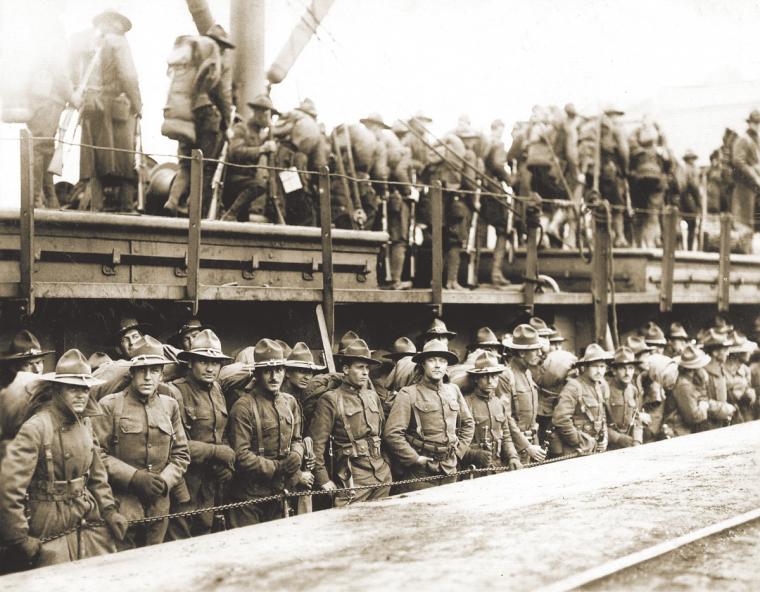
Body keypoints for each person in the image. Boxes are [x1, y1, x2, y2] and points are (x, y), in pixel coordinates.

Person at [0, 350, 128, 571]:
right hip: (49, 521)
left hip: (87, 517)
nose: (81, 395)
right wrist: (19, 537)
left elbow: (97, 474)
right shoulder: (37, 427)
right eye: (73, 388)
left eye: (85, 388)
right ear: (58, 390)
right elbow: (9, 487)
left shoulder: (85, 423)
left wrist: (109, 510)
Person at [93, 337, 190, 549]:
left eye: (154, 370)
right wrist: (133, 477)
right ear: (132, 373)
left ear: (162, 375)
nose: (148, 377)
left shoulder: (170, 406)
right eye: (142, 370)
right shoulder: (110, 406)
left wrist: (165, 481)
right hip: (122, 505)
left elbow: (182, 454)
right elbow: (96, 455)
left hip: (159, 505)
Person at [227, 339, 305, 527]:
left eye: (278, 370)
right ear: (257, 374)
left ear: (284, 372)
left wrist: (297, 453)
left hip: (280, 492)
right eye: (267, 371)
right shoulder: (243, 407)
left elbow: (297, 438)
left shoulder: (290, 403)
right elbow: (241, 455)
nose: (274, 377)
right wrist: (278, 468)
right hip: (249, 496)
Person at [71, 9, 141, 211]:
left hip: (91, 105)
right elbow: (128, 77)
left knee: (95, 159)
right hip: (114, 108)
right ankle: (126, 207)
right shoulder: (118, 42)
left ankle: (96, 206)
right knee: (123, 158)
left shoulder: (90, 45)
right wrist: (138, 105)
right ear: (118, 25)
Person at [166, 330, 233, 540]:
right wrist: (217, 452)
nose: (210, 368)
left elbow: (223, 432)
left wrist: (227, 463)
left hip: (210, 483)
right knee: (180, 539)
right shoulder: (175, 392)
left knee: (207, 536)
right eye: (203, 361)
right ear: (190, 363)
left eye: (215, 362)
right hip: (184, 483)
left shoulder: (217, 391)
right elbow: (175, 446)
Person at [383, 339, 474, 493]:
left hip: (450, 467)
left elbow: (468, 424)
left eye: (442, 361)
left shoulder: (453, 390)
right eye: (432, 360)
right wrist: (414, 458)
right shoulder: (408, 393)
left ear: (447, 366)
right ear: (423, 365)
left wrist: (458, 453)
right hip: (421, 471)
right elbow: (392, 434)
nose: (437, 365)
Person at [309, 339, 391, 506]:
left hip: (382, 475)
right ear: (345, 369)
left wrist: (387, 466)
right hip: (351, 479)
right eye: (360, 367)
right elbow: (317, 444)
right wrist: (323, 479)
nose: (365, 372)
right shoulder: (331, 400)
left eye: (367, 368)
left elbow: (383, 434)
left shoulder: (372, 396)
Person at [164, 25, 234, 217]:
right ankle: (193, 208)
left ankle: (172, 199)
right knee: (205, 165)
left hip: (186, 115)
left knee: (186, 164)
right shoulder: (215, 58)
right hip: (208, 116)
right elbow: (222, 93)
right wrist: (228, 123)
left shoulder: (192, 58)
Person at [222, 94, 279, 222]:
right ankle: (230, 214)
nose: (268, 119)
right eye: (266, 115)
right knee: (260, 186)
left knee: (243, 222)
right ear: (258, 114)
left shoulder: (260, 134)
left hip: (246, 184)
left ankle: (232, 215)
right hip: (234, 179)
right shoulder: (242, 128)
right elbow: (235, 152)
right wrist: (262, 149)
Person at [462, 351, 522, 471]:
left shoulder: (499, 403)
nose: (490, 381)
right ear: (475, 379)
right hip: (473, 469)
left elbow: (506, 436)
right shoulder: (465, 403)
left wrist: (513, 457)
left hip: (498, 466)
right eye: (484, 376)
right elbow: (455, 442)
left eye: (494, 376)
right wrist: (473, 455)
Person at [551, 343, 612, 456]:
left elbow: (602, 416)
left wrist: (605, 438)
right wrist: (582, 441)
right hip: (575, 450)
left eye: (602, 366)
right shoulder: (573, 387)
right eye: (595, 366)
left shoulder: (600, 386)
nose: (599, 371)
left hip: (595, 448)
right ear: (584, 367)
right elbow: (561, 419)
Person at [502, 325, 547, 465]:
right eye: (535, 350)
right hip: (514, 450)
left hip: (531, 446)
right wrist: (526, 447)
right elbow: (506, 418)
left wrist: (535, 446)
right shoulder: (506, 376)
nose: (540, 353)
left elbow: (531, 419)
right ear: (522, 353)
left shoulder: (527, 373)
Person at [482, 119, 514, 287]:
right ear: (499, 129)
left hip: (480, 188)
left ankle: (474, 274)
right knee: (502, 230)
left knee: (481, 229)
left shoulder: (483, 142)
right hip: (494, 190)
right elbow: (498, 165)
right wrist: (509, 181)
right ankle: (496, 273)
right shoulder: (498, 143)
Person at [664, 344, 711, 436]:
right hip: (680, 432)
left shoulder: (690, 380)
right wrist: (704, 406)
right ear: (694, 368)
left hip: (685, 430)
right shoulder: (684, 386)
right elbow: (694, 417)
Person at [282, 342, 326, 430]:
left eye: (310, 372)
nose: (307, 377)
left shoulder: (306, 395)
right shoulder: (277, 395)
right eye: (301, 371)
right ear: (287, 373)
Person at [605, 346, 643, 449]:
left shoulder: (633, 390)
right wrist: (617, 438)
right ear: (614, 371)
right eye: (622, 368)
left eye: (630, 368)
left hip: (629, 445)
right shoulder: (605, 390)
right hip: (608, 446)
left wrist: (637, 441)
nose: (627, 373)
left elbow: (637, 419)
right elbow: (599, 423)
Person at [700, 329, 736, 429]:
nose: (727, 353)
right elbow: (701, 401)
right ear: (715, 352)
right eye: (724, 350)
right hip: (708, 426)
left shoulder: (721, 369)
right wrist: (723, 409)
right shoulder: (703, 372)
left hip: (722, 423)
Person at [730, 110, 760, 230]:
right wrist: (755, 176)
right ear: (750, 123)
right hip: (744, 185)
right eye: (755, 122)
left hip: (753, 187)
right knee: (743, 221)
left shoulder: (756, 140)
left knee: (750, 221)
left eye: (759, 123)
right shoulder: (744, 139)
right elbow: (738, 161)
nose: (757, 125)